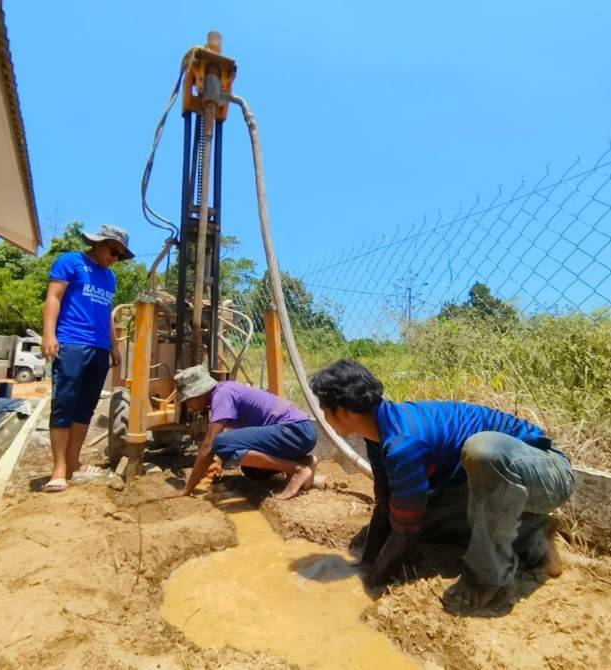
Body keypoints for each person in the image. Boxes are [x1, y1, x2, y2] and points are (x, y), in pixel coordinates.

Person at [309, 359, 574, 609]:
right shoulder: (378, 434)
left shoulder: (403, 442)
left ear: (343, 411)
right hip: (495, 482)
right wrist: (365, 563)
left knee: (482, 451)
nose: (324, 418)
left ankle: (486, 578)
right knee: (423, 518)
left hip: (546, 471)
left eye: (325, 410)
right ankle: (535, 538)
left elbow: (406, 531)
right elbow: (385, 505)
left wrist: (371, 582)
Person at [41, 225, 134, 492]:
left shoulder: (109, 278)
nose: (115, 259)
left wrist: (113, 346)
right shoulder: (70, 262)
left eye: (120, 255)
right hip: (71, 342)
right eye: (113, 251)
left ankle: (73, 463)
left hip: (99, 349)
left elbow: (106, 313)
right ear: (99, 243)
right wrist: (49, 334)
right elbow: (53, 298)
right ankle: (58, 469)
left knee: (85, 407)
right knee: (64, 403)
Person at [165, 365, 318, 500]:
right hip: (298, 434)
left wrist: (188, 488)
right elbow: (243, 438)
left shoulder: (222, 395)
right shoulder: (225, 392)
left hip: (295, 430)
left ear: (198, 393)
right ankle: (305, 462)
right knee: (251, 470)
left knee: (218, 442)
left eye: (189, 400)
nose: (189, 406)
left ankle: (296, 470)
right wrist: (220, 463)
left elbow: (209, 445)